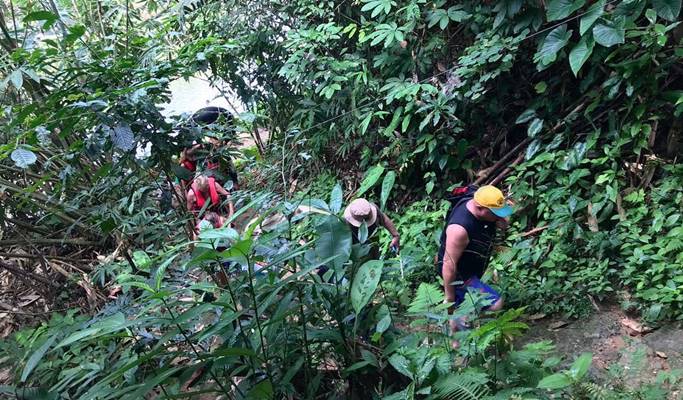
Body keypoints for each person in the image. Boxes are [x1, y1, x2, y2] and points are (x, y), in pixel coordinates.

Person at [436, 185, 512, 341]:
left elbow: (502, 218)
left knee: (464, 306)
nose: (498, 217)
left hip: (472, 266)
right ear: (480, 209)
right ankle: (460, 327)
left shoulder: (480, 197)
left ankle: (456, 328)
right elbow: (449, 264)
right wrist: (448, 298)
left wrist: (500, 218)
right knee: (495, 303)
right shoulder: (459, 229)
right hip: (459, 274)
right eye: (495, 214)